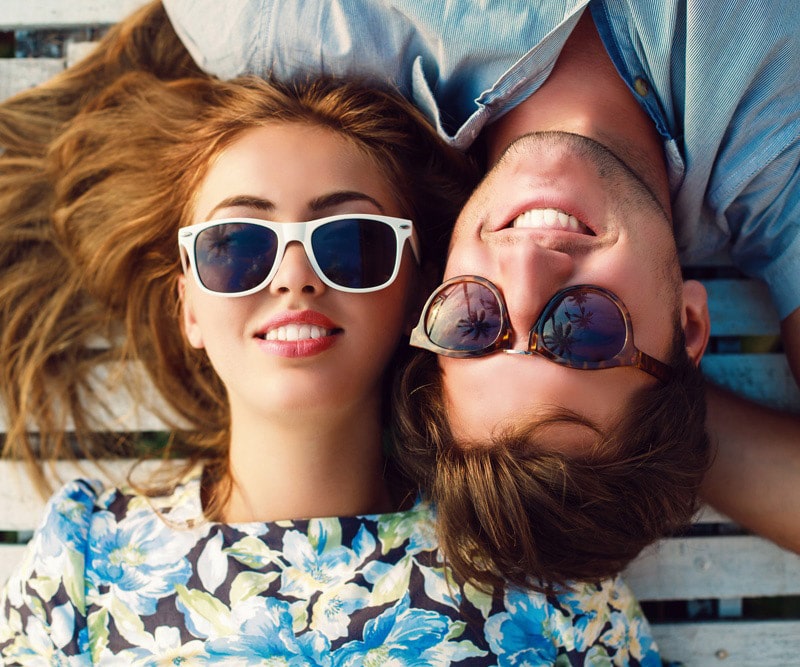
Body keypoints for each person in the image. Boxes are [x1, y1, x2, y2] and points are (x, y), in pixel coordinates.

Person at [0, 2, 663, 663]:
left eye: (351, 244)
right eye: (236, 246)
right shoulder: (82, 564)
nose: (294, 278)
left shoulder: (544, 578)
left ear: (418, 296)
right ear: (189, 309)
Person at [162, 0, 800, 585]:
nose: (524, 268)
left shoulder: (296, 28)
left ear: (433, 282)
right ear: (689, 325)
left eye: (474, 324)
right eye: (583, 331)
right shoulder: (779, 165)